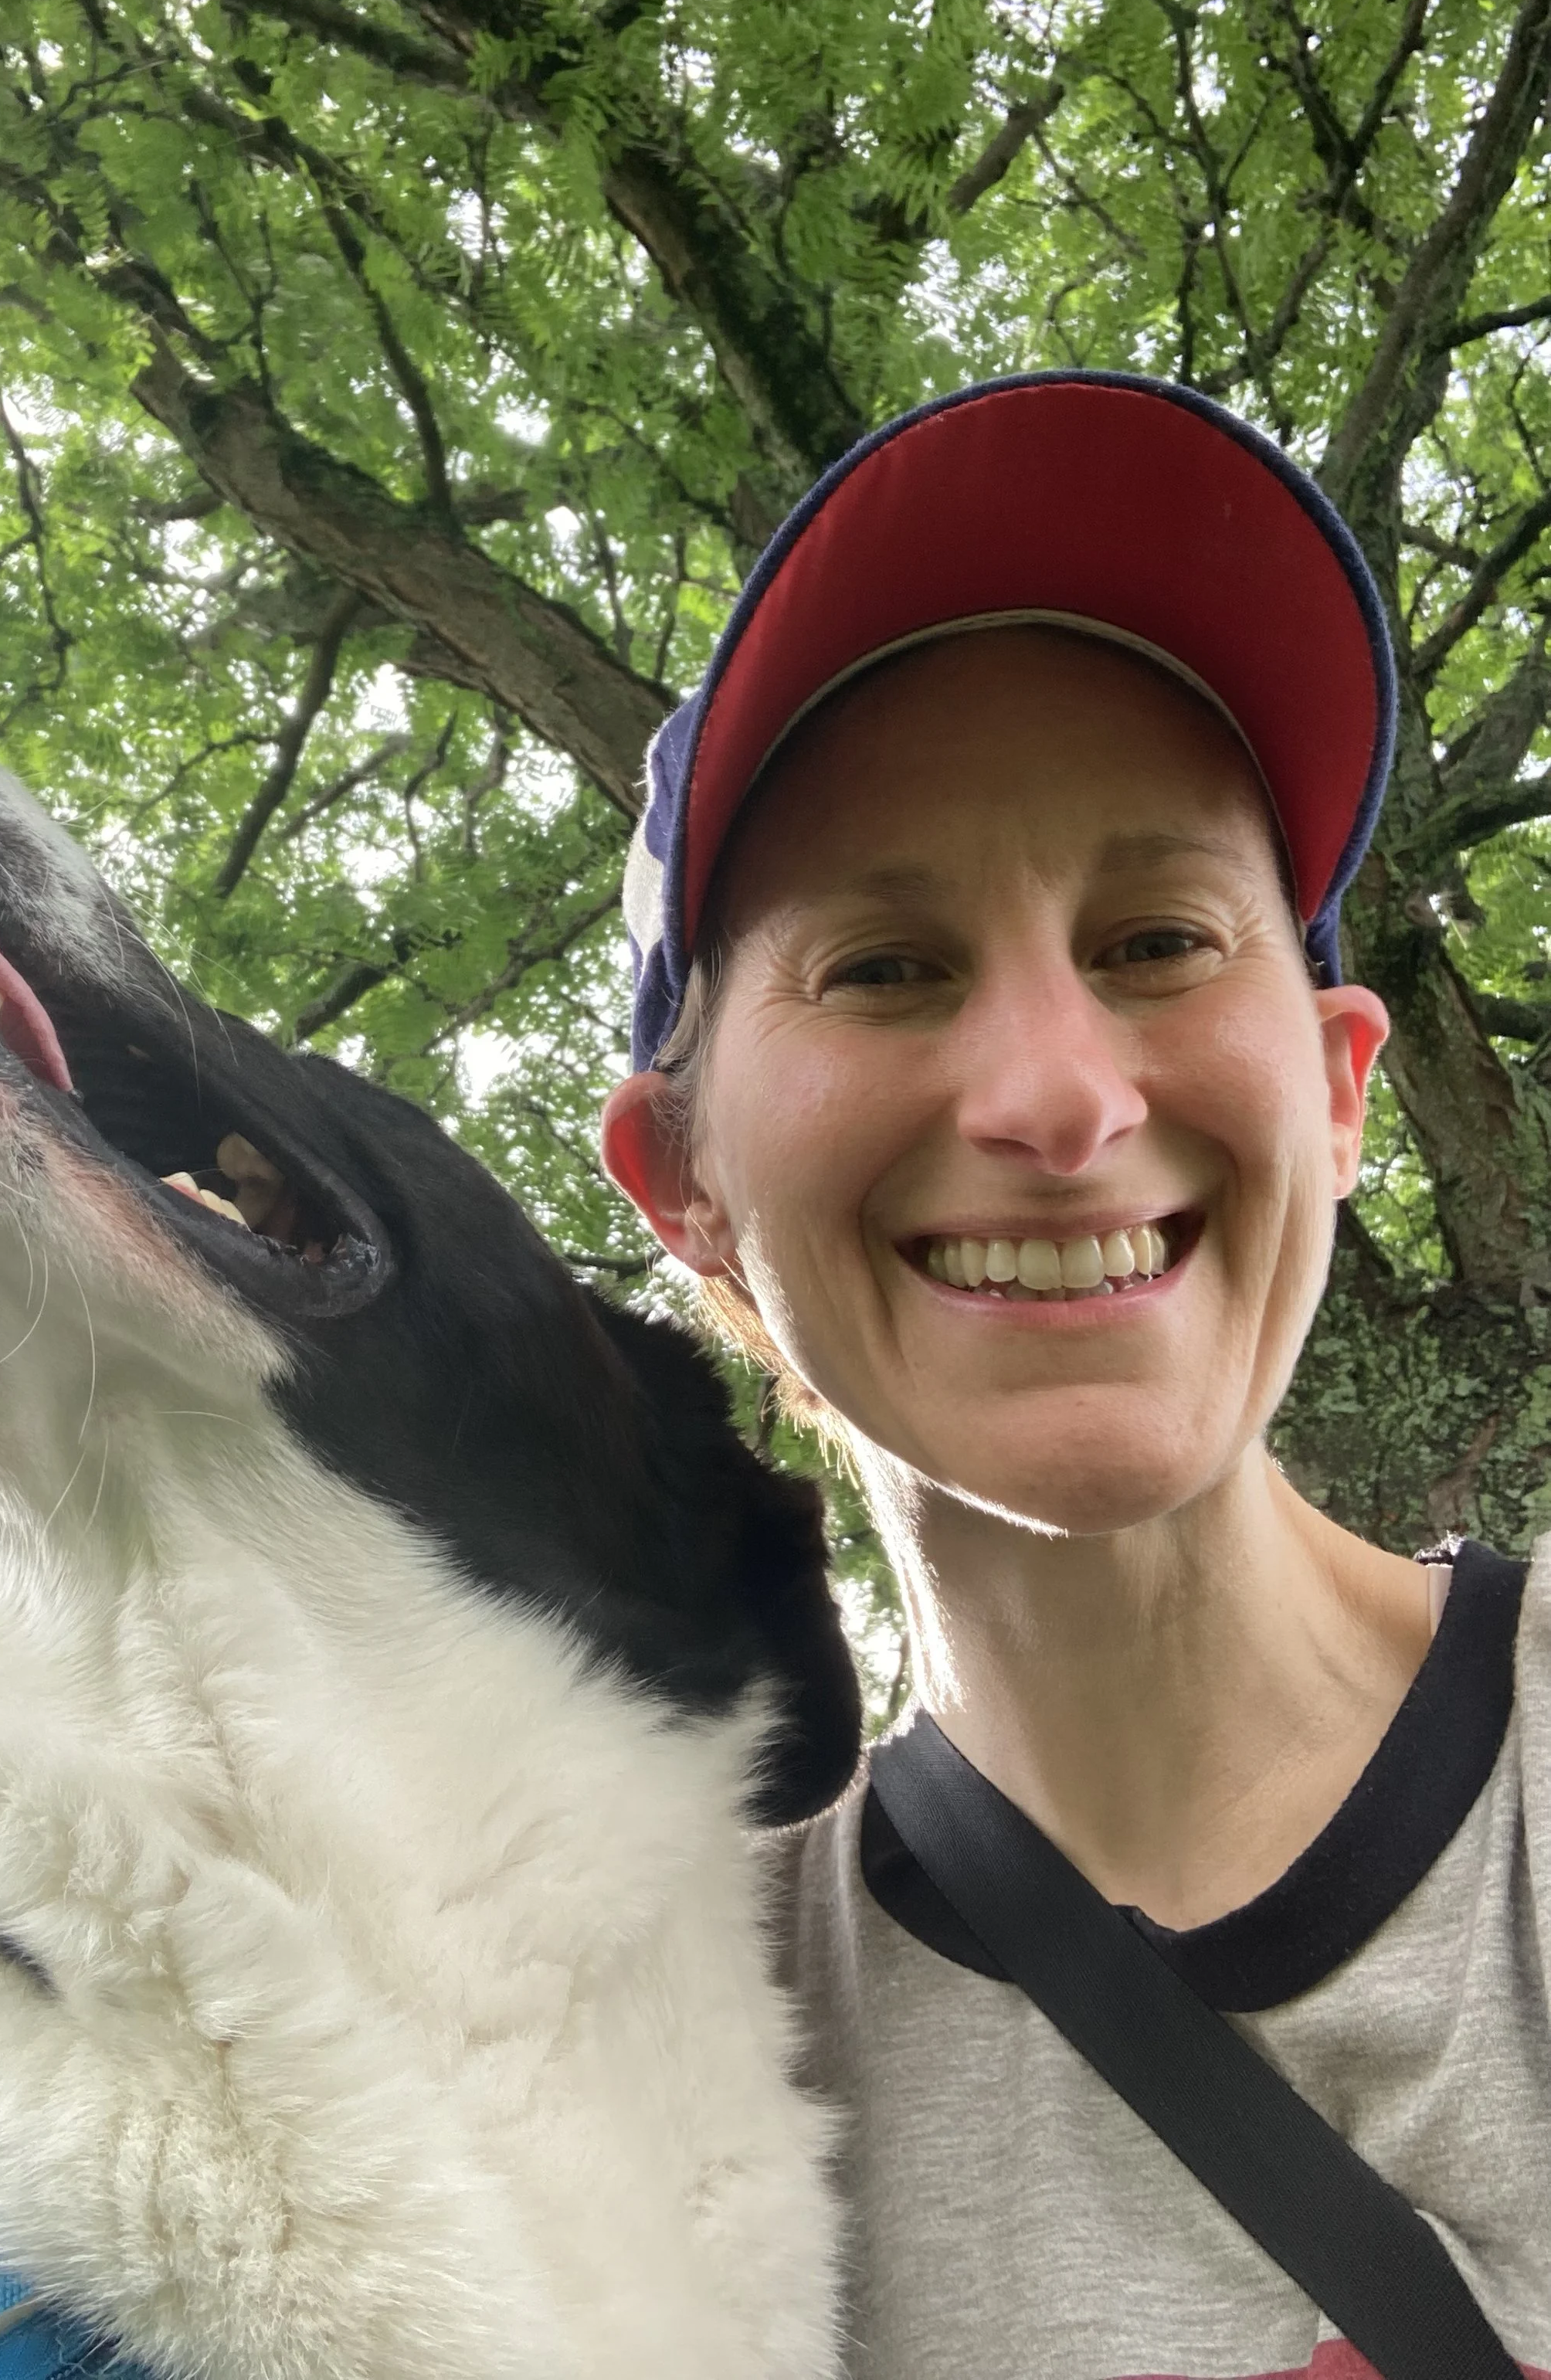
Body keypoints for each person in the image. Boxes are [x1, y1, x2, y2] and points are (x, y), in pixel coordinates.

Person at [600, 372, 1551, 2377]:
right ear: (681, 1185)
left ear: (1337, 1081)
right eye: (881, 966)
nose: (1053, 1093)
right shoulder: (655, 2092)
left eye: (1154, 939)